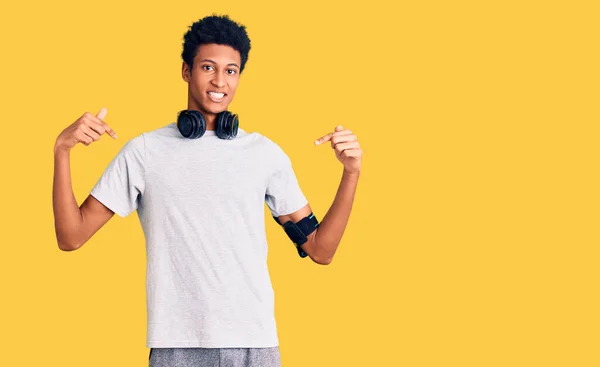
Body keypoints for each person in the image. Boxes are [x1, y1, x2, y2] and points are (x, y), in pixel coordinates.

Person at [52, 14, 362, 367]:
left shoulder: (264, 154)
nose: (220, 81)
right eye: (208, 67)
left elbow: (321, 249)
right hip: (176, 346)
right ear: (186, 71)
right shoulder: (144, 152)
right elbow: (71, 236)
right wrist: (62, 151)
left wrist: (350, 173)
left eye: (231, 71)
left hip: (254, 344)